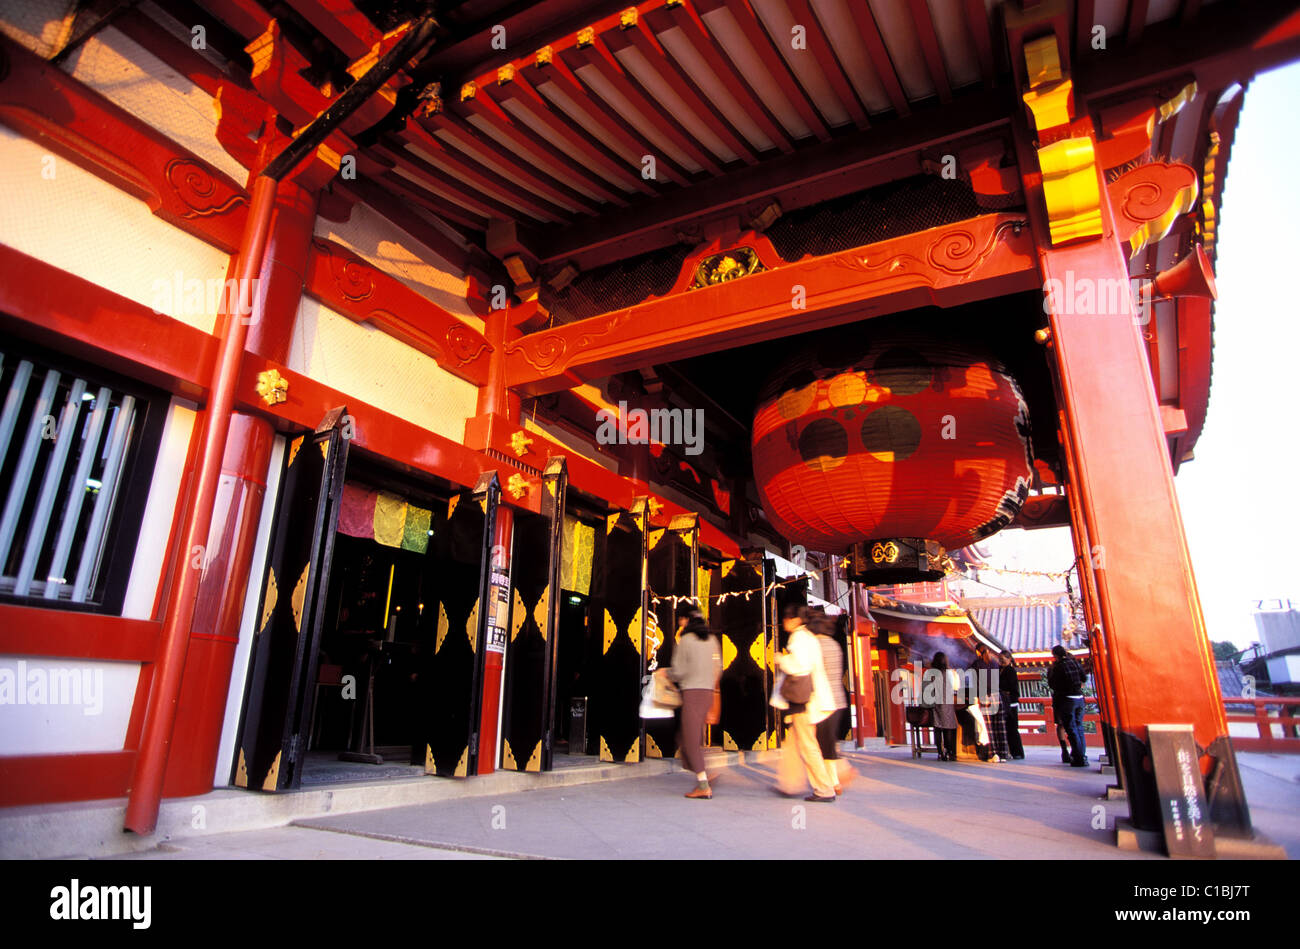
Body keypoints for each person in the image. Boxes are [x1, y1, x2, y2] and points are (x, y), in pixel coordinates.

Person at [771, 605, 838, 802]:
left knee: (808, 745)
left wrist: (781, 660)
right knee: (794, 743)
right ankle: (789, 783)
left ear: (794, 620)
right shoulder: (808, 637)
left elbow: (800, 666)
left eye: (786, 618)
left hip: (803, 700)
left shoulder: (799, 638)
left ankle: (824, 788)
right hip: (808, 699)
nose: (784, 622)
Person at [667, 608, 722, 798]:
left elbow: (679, 670)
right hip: (707, 692)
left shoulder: (686, 640)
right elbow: (719, 667)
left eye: (681, 619)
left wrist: (666, 674)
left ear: (686, 620)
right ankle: (703, 771)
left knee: (690, 741)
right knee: (688, 737)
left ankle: (703, 784)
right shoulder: (712, 640)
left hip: (691, 692)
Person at [809, 607, 855, 793]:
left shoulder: (816, 646)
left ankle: (832, 780)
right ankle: (834, 778)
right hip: (837, 699)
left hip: (821, 700)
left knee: (821, 745)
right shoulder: (835, 645)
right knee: (828, 743)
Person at [1047, 644, 1088, 767]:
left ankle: (1078, 757)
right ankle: (1082, 755)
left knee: (1071, 728)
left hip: (1067, 699)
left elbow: (1053, 684)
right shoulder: (1075, 663)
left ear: (1055, 655)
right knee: (1079, 727)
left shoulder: (1058, 667)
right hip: (1079, 698)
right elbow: (1084, 678)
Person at [974, 644, 1008, 762]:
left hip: (985, 696)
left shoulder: (977, 664)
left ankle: (993, 754)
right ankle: (1003, 753)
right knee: (1000, 726)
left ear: (978, 652)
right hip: (997, 695)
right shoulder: (995, 663)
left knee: (990, 727)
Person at [928, 651, 960, 761]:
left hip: (936, 702)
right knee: (949, 727)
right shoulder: (950, 673)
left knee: (938, 727)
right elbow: (955, 687)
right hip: (948, 701)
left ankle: (940, 752)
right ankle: (949, 750)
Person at [997, 651, 1025, 759]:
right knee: (1006, 728)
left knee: (1012, 728)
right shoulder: (1000, 670)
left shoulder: (1011, 671)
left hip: (1011, 702)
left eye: (1003, 660)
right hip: (1003, 701)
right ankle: (1008, 750)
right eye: (1000, 659)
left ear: (1009, 659)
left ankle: (1017, 752)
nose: (1001, 662)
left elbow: (1012, 688)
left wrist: (1004, 691)